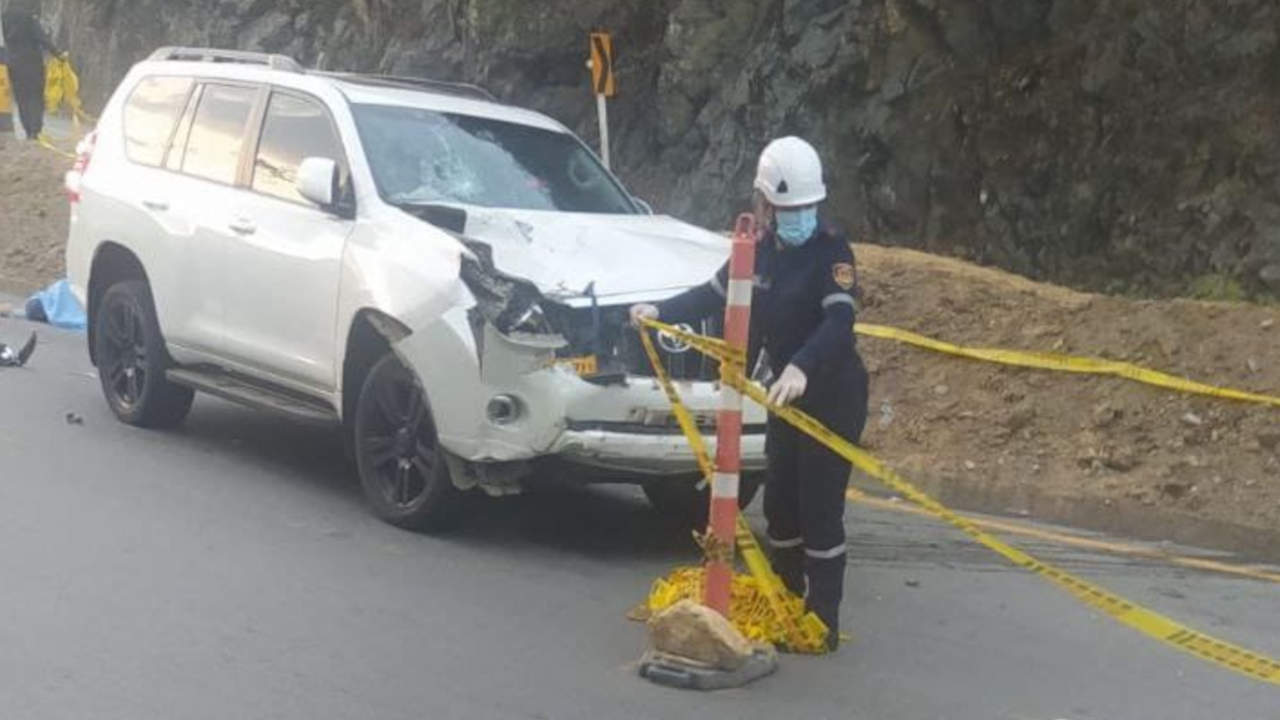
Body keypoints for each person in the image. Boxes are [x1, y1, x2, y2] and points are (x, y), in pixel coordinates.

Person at [630, 137, 869, 650]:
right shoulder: (757, 251)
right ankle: (785, 599)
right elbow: (713, 295)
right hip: (785, 399)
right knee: (780, 506)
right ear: (764, 206)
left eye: (805, 207)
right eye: (787, 209)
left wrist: (803, 366)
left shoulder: (832, 251)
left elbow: (839, 321)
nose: (798, 217)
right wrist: (660, 312)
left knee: (819, 510)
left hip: (832, 395)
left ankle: (821, 621)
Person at [1, 0, 58, 141]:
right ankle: (35, 130)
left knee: (21, 98)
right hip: (32, 62)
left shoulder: (5, 17)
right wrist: (58, 53)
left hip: (13, 62)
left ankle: (27, 129)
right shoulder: (29, 17)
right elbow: (42, 38)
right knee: (35, 96)